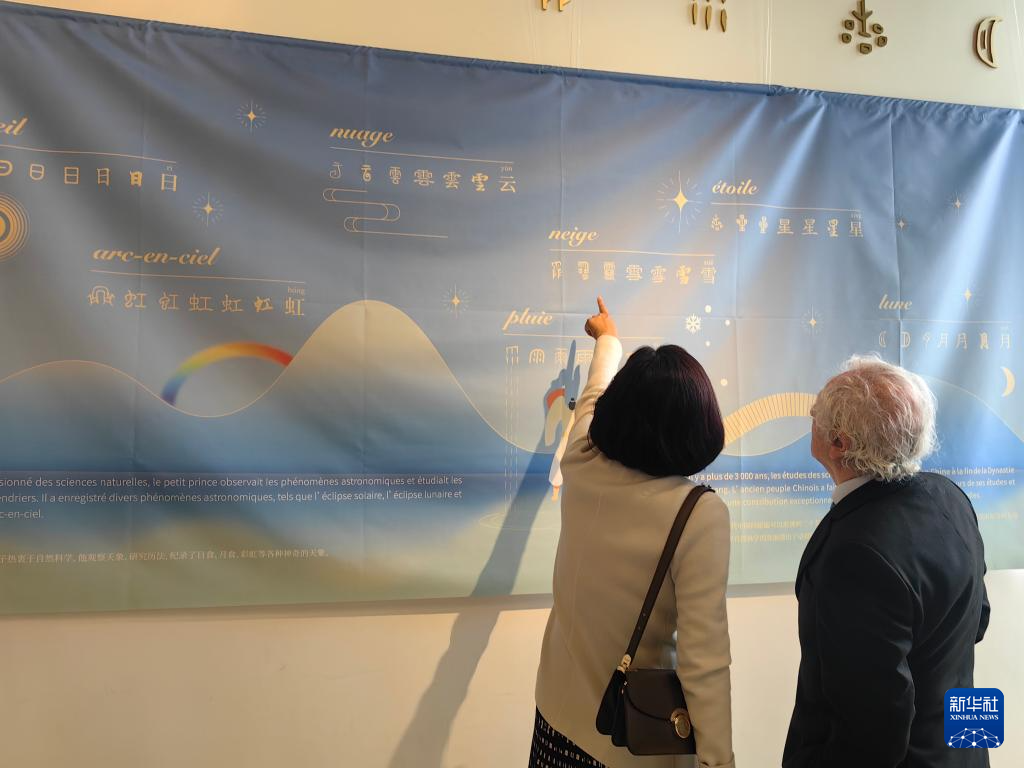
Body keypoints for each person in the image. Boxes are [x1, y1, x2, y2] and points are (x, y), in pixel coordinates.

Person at [532, 297, 735, 768]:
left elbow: (592, 396)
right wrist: (718, 762)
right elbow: (704, 662)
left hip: (555, 720)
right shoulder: (698, 513)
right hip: (630, 742)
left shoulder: (581, 460)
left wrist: (607, 340)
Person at [784, 355, 991, 768]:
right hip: (966, 750)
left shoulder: (855, 553)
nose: (810, 416)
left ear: (839, 443)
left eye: (817, 412)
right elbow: (978, 621)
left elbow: (874, 726)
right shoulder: (949, 497)